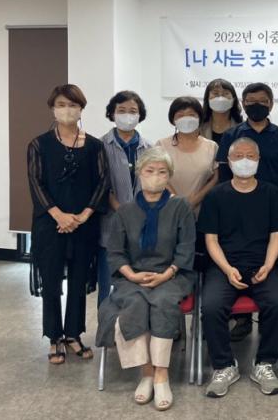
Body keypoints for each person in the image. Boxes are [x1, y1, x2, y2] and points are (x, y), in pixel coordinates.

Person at [96, 147, 195, 411]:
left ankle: (162, 375)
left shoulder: (180, 207)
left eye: (162, 172)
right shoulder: (125, 211)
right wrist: (132, 274)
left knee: (162, 302)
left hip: (173, 274)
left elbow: (186, 248)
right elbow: (115, 252)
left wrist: (166, 274)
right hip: (132, 276)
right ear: (139, 173)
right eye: (150, 171)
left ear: (169, 176)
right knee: (135, 303)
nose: (156, 177)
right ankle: (146, 372)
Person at [199, 138, 278, 398]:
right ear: (228, 161)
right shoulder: (216, 195)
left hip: (263, 265)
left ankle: (264, 363)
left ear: (259, 160)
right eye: (238, 156)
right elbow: (211, 240)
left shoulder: (271, 193)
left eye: (250, 155)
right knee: (211, 307)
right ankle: (224, 366)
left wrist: (268, 265)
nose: (245, 160)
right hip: (224, 266)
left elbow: (276, 235)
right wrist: (227, 269)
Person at [27, 84, 110, 364]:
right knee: (51, 282)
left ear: (81, 109)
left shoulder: (95, 146)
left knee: (78, 280)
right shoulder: (38, 145)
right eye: (61, 104)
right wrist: (59, 215)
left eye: (73, 105)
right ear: (53, 108)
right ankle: (54, 337)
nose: (67, 110)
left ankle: (74, 334)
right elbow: (36, 183)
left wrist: (84, 215)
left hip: (84, 224)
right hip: (50, 224)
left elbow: (103, 183)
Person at [215, 82, 278, 340]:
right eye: (250, 101)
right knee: (239, 256)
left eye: (262, 101)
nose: (256, 105)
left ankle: (268, 319)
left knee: (270, 260)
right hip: (235, 208)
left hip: (271, 207)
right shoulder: (232, 135)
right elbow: (223, 172)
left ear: (271, 104)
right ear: (243, 104)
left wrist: (272, 198)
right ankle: (242, 320)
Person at [97, 91, 153, 307]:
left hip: (142, 225)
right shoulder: (100, 146)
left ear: (140, 115)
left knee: (138, 285)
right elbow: (99, 186)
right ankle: (106, 325)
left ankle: (134, 324)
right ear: (112, 114)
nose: (127, 115)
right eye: (121, 110)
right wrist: (121, 210)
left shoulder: (149, 148)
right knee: (107, 286)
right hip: (110, 225)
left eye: (133, 111)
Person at [156, 96, 218, 216]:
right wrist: (179, 202)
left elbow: (215, 178)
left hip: (202, 211)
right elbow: (158, 175)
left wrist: (195, 200)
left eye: (191, 114)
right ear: (173, 120)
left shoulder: (211, 146)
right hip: (168, 210)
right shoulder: (162, 145)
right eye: (180, 115)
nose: (186, 119)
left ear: (199, 118)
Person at [200, 78, 243, 144]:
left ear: (233, 99)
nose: (220, 97)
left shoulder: (242, 126)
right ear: (207, 98)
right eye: (215, 93)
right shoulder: (199, 126)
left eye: (226, 93)